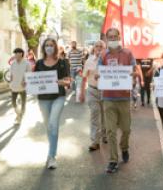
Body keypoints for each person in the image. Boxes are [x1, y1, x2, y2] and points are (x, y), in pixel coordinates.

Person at [97, 28, 143, 174]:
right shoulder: (103, 54)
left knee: (126, 129)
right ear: (106, 39)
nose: (112, 39)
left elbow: (136, 71)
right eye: (109, 37)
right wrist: (99, 75)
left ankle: (124, 147)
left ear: (119, 37)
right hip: (108, 98)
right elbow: (98, 72)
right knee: (110, 131)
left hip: (124, 97)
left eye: (115, 36)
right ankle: (112, 160)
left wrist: (132, 73)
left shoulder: (128, 53)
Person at [34, 38, 71, 170]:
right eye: (47, 45)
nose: (49, 47)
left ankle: (52, 156)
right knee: (49, 127)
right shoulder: (38, 63)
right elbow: (34, 81)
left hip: (58, 97)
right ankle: (51, 151)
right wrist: (27, 83)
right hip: (43, 99)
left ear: (55, 47)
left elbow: (68, 82)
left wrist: (57, 82)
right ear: (43, 48)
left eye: (51, 45)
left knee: (53, 123)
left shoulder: (62, 62)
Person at [80, 40, 107, 151]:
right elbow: (84, 77)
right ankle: (95, 141)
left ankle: (105, 135)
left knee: (105, 116)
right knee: (95, 114)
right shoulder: (89, 61)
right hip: (92, 91)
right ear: (94, 48)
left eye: (101, 46)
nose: (99, 48)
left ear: (105, 48)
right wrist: (81, 93)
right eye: (97, 46)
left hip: (106, 92)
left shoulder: (109, 60)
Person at [9, 48, 32, 125]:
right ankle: (18, 114)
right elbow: (11, 74)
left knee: (23, 103)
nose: (15, 55)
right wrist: (10, 81)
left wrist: (25, 80)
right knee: (13, 102)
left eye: (17, 53)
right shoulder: (13, 63)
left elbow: (29, 74)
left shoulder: (27, 63)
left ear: (21, 54)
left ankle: (20, 117)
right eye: (15, 54)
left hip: (23, 87)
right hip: (14, 86)